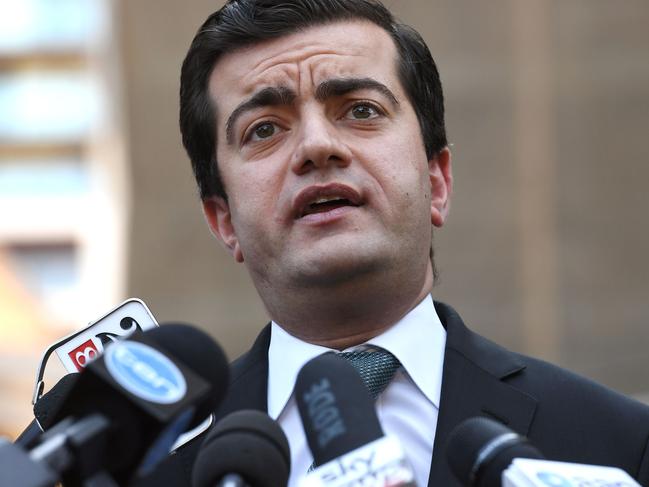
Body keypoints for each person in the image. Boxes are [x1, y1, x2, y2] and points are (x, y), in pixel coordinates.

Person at [129, 0, 649, 485]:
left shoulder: (617, 446)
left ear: (437, 183)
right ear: (224, 220)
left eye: (360, 110)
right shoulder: (143, 465)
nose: (316, 147)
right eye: (265, 129)